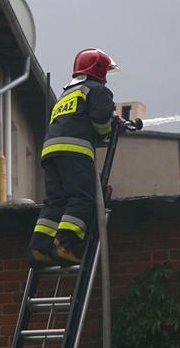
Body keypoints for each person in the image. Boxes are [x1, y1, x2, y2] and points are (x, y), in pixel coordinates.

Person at [28, 48, 117, 266]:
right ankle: (66, 245)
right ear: (99, 69)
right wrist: (107, 130)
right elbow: (101, 120)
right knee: (83, 197)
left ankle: (40, 247)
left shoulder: (66, 94)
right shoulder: (97, 90)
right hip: (74, 151)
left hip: (50, 152)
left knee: (55, 200)